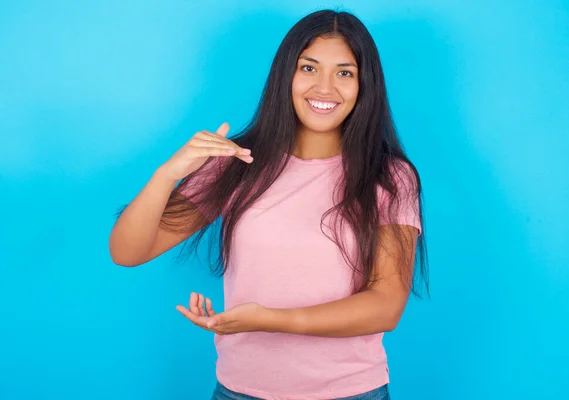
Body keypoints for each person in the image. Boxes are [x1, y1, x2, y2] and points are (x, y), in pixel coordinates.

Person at [109, 9, 429, 400]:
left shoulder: (390, 177)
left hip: (349, 393)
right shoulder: (237, 162)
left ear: (365, 85)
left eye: (344, 72)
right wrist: (167, 174)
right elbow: (127, 252)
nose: (325, 88)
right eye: (309, 68)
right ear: (286, 76)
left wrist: (274, 320)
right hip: (239, 391)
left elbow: (386, 305)